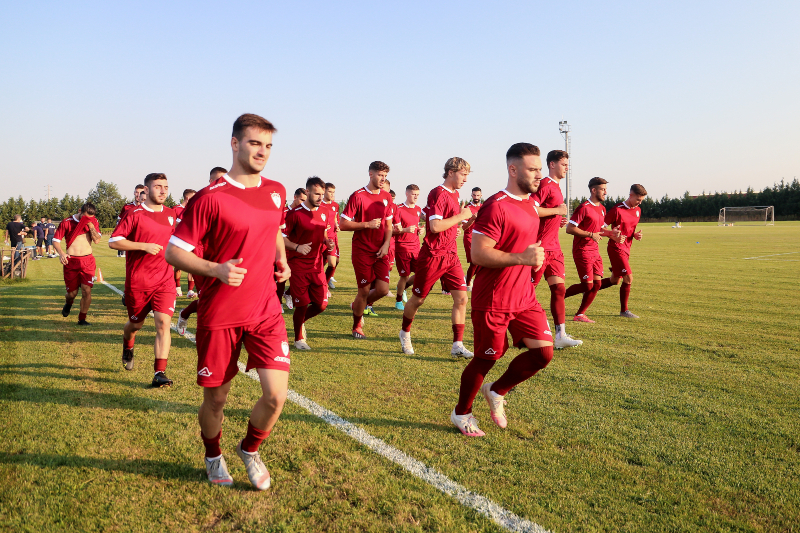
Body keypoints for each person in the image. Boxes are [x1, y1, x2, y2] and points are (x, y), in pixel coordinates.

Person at [165, 113, 290, 491]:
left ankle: (249, 449)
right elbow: (174, 251)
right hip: (221, 312)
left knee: (275, 396)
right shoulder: (210, 198)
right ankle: (213, 455)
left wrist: (281, 258)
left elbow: (273, 228)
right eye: (255, 143)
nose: (262, 152)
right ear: (235, 144)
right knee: (216, 399)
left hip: (265, 309)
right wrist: (215, 270)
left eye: (268, 146)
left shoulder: (277, 191)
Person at [451, 143, 550, 437]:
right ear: (513, 169)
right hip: (494, 298)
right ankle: (461, 413)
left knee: (543, 353)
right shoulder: (496, 205)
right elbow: (478, 254)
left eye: (540, 169)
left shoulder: (531, 204)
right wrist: (522, 258)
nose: (539, 175)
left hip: (524, 296)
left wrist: (532, 260)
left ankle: (496, 391)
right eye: (533, 169)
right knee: (488, 357)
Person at [398, 157, 475, 358]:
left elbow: (443, 222)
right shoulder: (438, 193)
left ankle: (457, 345)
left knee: (462, 298)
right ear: (451, 172)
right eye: (463, 174)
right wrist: (460, 216)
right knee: (418, 299)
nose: (466, 179)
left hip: (450, 254)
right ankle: (405, 333)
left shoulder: (455, 194)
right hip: (433, 255)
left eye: (467, 175)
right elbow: (434, 226)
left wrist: (457, 226)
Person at [109, 173, 178, 387]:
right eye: (158, 186)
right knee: (135, 324)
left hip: (165, 281)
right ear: (146, 190)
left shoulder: (171, 214)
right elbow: (114, 241)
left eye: (166, 187)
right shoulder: (134, 214)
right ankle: (128, 345)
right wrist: (143, 246)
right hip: (139, 282)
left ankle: (159, 372)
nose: (163, 191)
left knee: (163, 323)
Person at [531, 151, 582, 348]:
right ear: (552, 164)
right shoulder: (545, 184)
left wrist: (557, 218)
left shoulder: (557, 187)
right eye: (563, 164)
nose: (567, 168)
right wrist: (557, 211)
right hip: (540, 248)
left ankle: (560, 335)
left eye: (568, 164)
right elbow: (531, 209)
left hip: (555, 248)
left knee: (559, 289)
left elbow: (545, 214)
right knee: (527, 291)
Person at [339, 161, 393, 339]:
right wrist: (366, 225)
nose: (383, 179)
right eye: (380, 175)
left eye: (385, 176)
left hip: (380, 250)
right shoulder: (358, 196)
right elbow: (343, 224)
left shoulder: (387, 196)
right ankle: (357, 326)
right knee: (364, 290)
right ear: (371, 174)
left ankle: (357, 305)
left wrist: (386, 244)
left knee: (383, 289)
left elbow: (389, 225)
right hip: (362, 250)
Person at [283, 177, 333, 350]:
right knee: (302, 304)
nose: (320, 197)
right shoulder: (294, 214)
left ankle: (300, 321)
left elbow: (323, 232)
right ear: (307, 192)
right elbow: (281, 238)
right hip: (298, 265)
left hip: (317, 265)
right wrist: (297, 247)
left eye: (322, 194)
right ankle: (298, 339)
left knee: (321, 305)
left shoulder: (324, 211)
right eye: (317, 194)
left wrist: (327, 242)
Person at [563, 177, 622, 323]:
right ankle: (559, 297)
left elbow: (600, 230)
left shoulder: (602, 209)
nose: (605, 192)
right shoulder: (584, 207)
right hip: (582, 250)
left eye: (606, 189)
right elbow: (570, 228)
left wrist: (611, 234)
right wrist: (590, 234)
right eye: (603, 189)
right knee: (587, 285)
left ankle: (580, 314)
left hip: (595, 251)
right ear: (593, 190)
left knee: (597, 284)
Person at [594, 184, 647, 318]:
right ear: (630, 195)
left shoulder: (638, 210)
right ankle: (624, 311)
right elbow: (599, 228)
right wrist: (612, 235)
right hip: (616, 248)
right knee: (628, 278)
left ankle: (589, 288)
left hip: (627, 248)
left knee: (615, 280)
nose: (639, 203)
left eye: (641, 200)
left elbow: (629, 229)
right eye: (638, 199)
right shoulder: (617, 210)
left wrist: (635, 235)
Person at [52, 203, 102, 325]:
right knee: (72, 294)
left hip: (88, 261)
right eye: (85, 217)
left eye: (90, 218)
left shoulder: (93, 221)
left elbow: (97, 240)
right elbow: (56, 240)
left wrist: (91, 225)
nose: (88, 219)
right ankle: (68, 303)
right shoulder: (67, 222)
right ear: (80, 211)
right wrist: (61, 253)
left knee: (86, 291)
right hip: (71, 262)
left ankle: (82, 319)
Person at [393, 184, 423, 310]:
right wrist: (405, 230)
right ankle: (398, 301)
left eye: (417, 195)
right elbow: (391, 230)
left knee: (421, 273)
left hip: (416, 247)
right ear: (407, 194)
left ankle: (403, 288)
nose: (416, 197)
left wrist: (419, 230)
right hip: (402, 247)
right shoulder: (398, 209)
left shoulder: (418, 209)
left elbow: (415, 225)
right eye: (413, 194)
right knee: (404, 276)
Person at [278, 188, 307, 311]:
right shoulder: (284, 211)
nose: (303, 203)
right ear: (295, 198)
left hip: (297, 250)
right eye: (301, 200)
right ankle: (278, 302)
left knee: (300, 277)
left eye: (305, 201)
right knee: (282, 277)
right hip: (283, 249)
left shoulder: (304, 213)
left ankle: (288, 293)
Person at [173, 188, 197, 298]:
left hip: (192, 240)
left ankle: (190, 290)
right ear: (187, 198)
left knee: (192, 265)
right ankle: (177, 287)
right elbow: (172, 225)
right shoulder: (176, 209)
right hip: (179, 241)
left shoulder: (194, 209)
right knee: (178, 265)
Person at [116, 184, 146, 258]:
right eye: (137, 192)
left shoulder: (148, 208)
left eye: (140, 192)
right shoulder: (127, 207)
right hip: (129, 237)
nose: (138, 195)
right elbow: (119, 221)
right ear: (134, 193)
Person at [462, 187, 482, 288]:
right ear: (471, 195)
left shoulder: (483, 207)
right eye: (474, 195)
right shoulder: (467, 208)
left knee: (482, 262)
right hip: (470, 236)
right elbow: (464, 227)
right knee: (474, 262)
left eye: (478, 195)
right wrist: (472, 219)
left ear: (481, 196)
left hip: (481, 238)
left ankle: (468, 278)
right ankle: (467, 284)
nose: (476, 197)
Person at [321, 183, 340, 289]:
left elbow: (335, 218)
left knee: (333, 263)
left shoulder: (335, 205)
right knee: (319, 265)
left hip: (332, 238)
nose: (332, 194)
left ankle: (324, 285)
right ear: (324, 191)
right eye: (330, 192)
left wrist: (336, 225)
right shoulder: (319, 204)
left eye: (333, 192)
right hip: (321, 238)